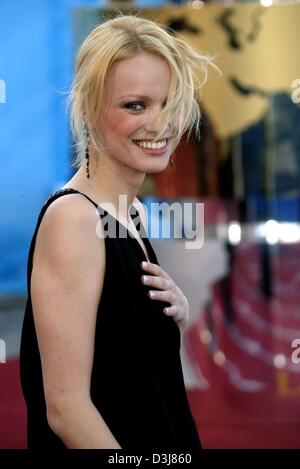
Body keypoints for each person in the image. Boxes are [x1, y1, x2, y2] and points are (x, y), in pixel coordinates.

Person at [20, 14, 212, 450]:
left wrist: (171, 316)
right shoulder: (75, 219)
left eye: (168, 103)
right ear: (90, 109)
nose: (160, 123)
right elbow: (68, 410)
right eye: (135, 105)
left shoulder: (130, 212)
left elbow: (127, 366)